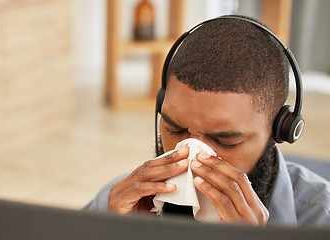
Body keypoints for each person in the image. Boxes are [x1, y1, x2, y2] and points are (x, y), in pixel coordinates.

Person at [84, 15, 330, 226]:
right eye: (174, 128)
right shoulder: (116, 205)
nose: (193, 158)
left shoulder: (321, 217)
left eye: (225, 141)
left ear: (279, 131)